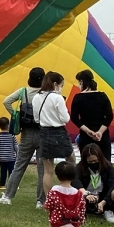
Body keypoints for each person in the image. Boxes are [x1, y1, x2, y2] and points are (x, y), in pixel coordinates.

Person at [0, 67, 46, 207]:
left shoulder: (24, 91)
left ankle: (8, 196)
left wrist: (16, 115)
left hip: (26, 133)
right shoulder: (46, 94)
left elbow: (6, 101)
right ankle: (40, 200)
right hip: (43, 133)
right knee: (43, 169)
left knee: (19, 166)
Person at [33, 71, 72, 199]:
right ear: (55, 84)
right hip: (59, 132)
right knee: (71, 159)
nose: (61, 88)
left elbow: (36, 119)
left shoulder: (36, 97)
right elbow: (65, 119)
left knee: (47, 170)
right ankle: (71, 190)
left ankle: (49, 200)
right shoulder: (57, 98)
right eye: (61, 85)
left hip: (44, 132)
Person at [44, 161, 86, 227]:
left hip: (58, 221)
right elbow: (82, 207)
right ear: (73, 177)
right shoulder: (78, 193)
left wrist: (46, 207)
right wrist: (81, 218)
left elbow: (49, 204)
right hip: (73, 222)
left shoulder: (54, 190)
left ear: (58, 176)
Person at [70, 69, 113, 155]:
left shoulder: (78, 98)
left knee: (87, 163)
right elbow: (109, 116)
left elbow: (74, 117)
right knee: (105, 163)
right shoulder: (103, 96)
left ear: (81, 82)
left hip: (86, 136)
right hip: (102, 136)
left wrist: (88, 131)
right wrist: (100, 132)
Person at [73, 142, 114, 223]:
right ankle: (81, 211)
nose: (93, 164)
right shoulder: (80, 167)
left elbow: (113, 183)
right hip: (87, 195)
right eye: (90, 162)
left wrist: (103, 202)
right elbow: (75, 180)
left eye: (95, 161)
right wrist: (86, 194)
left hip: (103, 196)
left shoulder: (107, 166)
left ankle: (107, 210)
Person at [0, 116, 16, 190]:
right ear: (8, 125)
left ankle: (2, 184)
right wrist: (18, 154)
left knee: (3, 171)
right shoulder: (12, 135)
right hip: (11, 158)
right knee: (11, 172)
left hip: (2, 158)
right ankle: (12, 185)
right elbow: (16, 146)